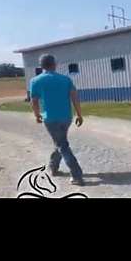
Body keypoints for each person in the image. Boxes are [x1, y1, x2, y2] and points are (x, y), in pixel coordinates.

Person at [29, 54, 85, 186]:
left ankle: (77, 175)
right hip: (66, 117)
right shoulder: (65, 79)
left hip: (51, 119)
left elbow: (34, 101)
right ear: (54, 64)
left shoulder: (35, 81)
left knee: (62, 145)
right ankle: (53, 167)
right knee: (60, 142)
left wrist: (37, 115)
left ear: (41, 66)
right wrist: (79, 114)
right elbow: (74, 97)